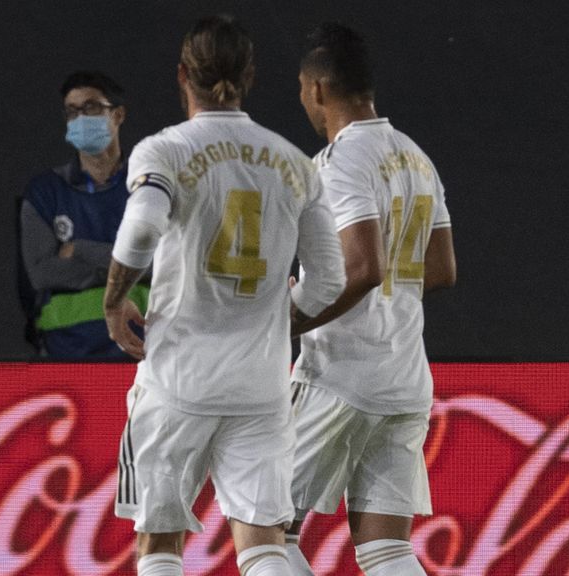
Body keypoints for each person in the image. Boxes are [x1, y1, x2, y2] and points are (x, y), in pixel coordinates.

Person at [104, 14, 345, 576]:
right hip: (260, 386)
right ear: (252, 75)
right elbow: (330, 281)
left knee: (160, 546)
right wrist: (270, 324)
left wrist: (115, 300)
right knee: (263, 546)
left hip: (177, 378)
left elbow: (141, 229)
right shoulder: (294, 163)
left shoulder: (164, 151)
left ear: (183, 74)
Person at [285, 23, 457, 576]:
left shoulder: (339, 163)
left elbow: (360, 267)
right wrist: (382, 290)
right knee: (386, 550)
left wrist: (289, 317)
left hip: (337, 374)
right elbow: (441, 268)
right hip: (404, 376)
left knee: (262, 535)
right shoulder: (415, 158)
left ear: (315, 89)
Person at [20, 70, 146, 358]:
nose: (81, 118)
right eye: (72, 111)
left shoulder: (148, 186)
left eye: (91, 107)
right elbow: (42, 273)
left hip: (145, 353)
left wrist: (80, 249)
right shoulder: (45, 192)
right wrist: (124, 266)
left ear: (118, 115)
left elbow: (164, 264)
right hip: (66, 353)